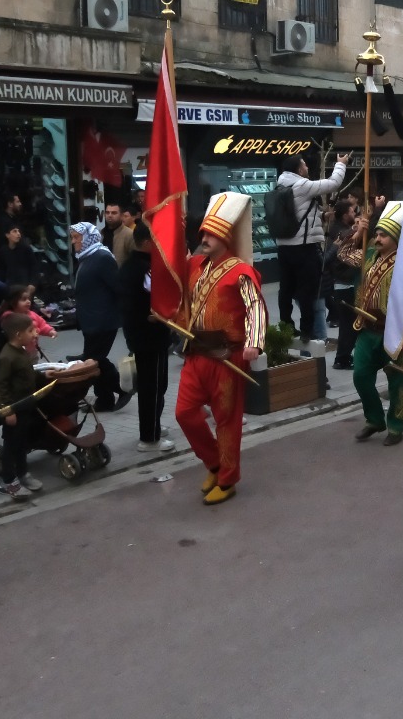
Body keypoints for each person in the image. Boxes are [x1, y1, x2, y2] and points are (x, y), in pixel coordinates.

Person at [178, 192, 267, 505]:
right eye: (203, 233)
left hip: (227, 356)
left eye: (211, 235)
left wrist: (254, 342)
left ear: (225, 238)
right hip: (196, 353)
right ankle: (215, 463)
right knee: (184, 413)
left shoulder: (241, 271)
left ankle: (227, 479)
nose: (204, 238)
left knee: (226, 421)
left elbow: (255, 306)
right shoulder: (194, 265)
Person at [341, 200, 403, 446]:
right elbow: (343, 254)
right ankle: (374, 419)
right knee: (360, 375)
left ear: (396, 238)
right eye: (377, 234)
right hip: (367, 329)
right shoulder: (368, 254)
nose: (378, 239)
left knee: (397, 381)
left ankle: (396, 426)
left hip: (395, 332)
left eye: (383, 235)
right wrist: (358, 232)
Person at [274, 152, 349, 346]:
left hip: (284, 247)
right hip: (303, 247)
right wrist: (340, 164)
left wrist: (321, 216)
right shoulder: (302, 185)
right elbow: (333, 183)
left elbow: (296, 214)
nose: (307, 168)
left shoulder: (280, 185)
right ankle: (307, 330)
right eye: (304, 165)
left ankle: (286, 324)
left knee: (286, 288)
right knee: (307, 289)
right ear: (299, 169)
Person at [119, 223, 174, 452]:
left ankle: (154, 426)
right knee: (153, 387)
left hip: (139, 336)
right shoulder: (145, 269)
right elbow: (149, 303)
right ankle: (150, 437)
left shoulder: (129, 266)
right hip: (151, 337)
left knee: (154, 385)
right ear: (146, 242)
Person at [68, 222, 130, 412]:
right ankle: (105, 399)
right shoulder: (86, 256)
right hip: (90, 320)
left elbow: (118, 288)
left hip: (103, 321)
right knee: (94, 359)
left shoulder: (102, 257)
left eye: (77, 237)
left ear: (88, 237)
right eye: (72, 238)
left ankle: (121, 389)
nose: (73, 242)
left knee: (94, 360)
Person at [0, 313, 44, 500]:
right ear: (18, 334)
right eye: (31, 330)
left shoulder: (20, 351)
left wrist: (45, 375)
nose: (35, 333)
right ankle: (8, 481)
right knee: (11, 445)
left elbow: (27, 374)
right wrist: (7, 411)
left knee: (22, 443)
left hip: (25, 406)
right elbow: (0, 386)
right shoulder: (6, 357)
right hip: (14, 409)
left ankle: (22, 473)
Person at [323, 198, 361, 369]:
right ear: (345, 215)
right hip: (343, 283)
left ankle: (345, 356)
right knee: (348, 324)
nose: (355, 213)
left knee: (349, 324)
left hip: (344, 282)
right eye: (352, 211)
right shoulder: (340, 232)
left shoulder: (340, 229)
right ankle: (342, 358)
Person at [0, 284, 56, 358]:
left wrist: (49, 331)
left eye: (29, 299)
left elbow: (42, 324)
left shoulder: (32, 314)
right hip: (16, 351)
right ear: (13, 301)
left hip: (32, 350)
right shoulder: (9, 317)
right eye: (24, 299)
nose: (28, 301)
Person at [102, 202, 134, 267]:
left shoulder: (129, 234)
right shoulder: (101, 233)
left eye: (114, 213)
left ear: (121, 216)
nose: (110, 215)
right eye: (107, 212)